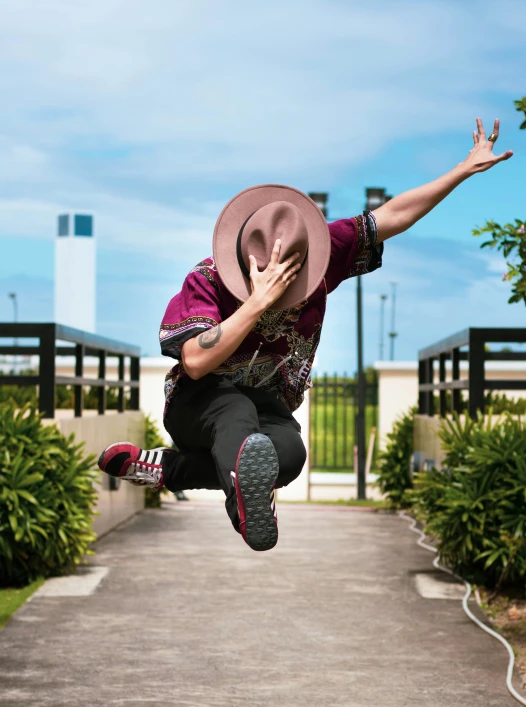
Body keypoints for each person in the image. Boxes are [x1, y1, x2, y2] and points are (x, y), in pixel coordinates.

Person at [98, 118, 512, 552]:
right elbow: (196, 361)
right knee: (235, 412)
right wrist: (257, 302)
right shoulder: (207, 280)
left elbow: (392, 214)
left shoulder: (321, 248)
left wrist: (462, 170)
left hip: (269, 407)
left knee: (289, 455)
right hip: (198, 404)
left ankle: (169, 471)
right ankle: (244, 509)